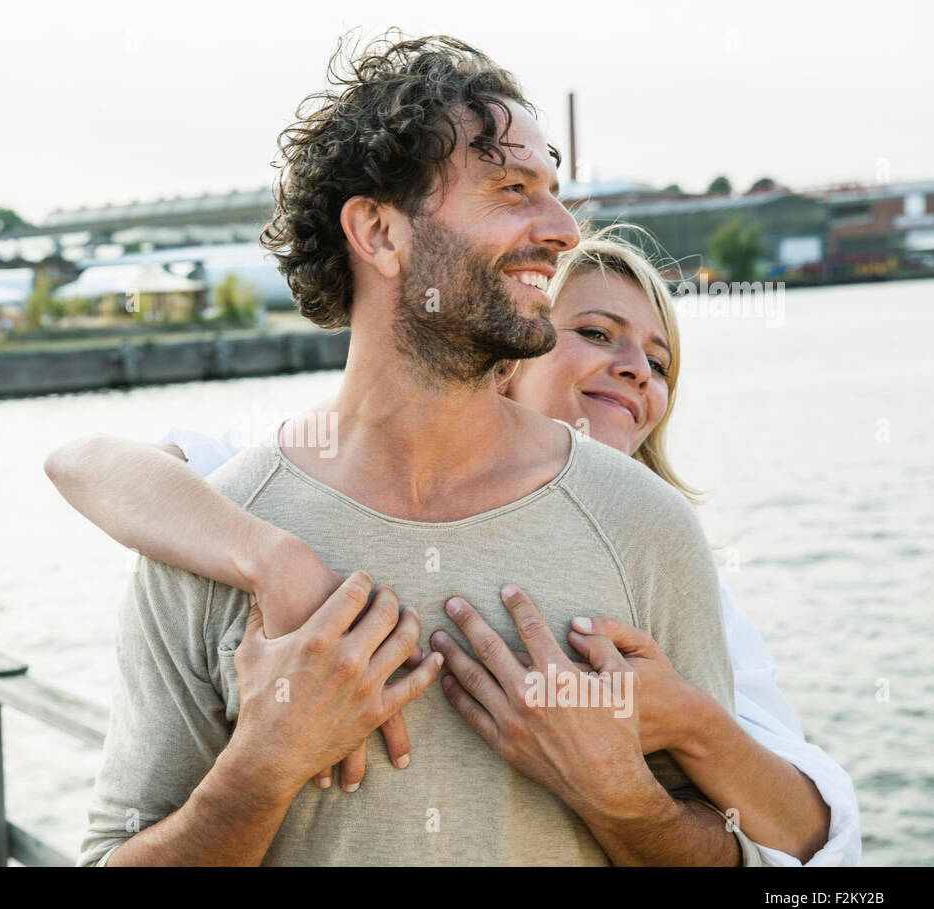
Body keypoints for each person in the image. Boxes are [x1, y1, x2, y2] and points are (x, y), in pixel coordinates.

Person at [57, 32, 764, 866]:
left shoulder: (646, 526)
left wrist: (623, 803)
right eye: (511, 188)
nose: (565, 229)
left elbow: (748, 857)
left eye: (555, 193)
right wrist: (260, 768)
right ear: (381, 234)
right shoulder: (213, 537)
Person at [49, 223, 860, 866]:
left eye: (658, 360)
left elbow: (819, 856)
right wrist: (277, 564)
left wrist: (680, 724)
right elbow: (85, 462)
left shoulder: (664, 554)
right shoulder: (302, 485)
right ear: (514, 345)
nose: (637, 370)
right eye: (597, 332)